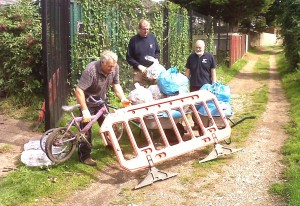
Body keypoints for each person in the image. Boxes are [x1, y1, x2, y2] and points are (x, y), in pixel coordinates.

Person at [75, 50, 130, 166]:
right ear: (102, 63)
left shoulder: (114, 67)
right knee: (86, 131)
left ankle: (112, 146)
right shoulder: (91, 70)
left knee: (108, 124)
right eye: (110, 66)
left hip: (100, 100)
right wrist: (84, 110)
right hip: (88, 102)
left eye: (113, 66)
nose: (112, 69)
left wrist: (123, 98)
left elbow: (116, 84)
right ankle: (84, 157)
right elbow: (79, 90)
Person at [185, 40, 217, 130]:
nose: (198, 49)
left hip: (206, 87)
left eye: (200, 47)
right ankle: (196, 123)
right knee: (194, 106)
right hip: (194, 86)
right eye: (196, 47)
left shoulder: (209, 57)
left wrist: (214, 83)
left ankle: (206, 123)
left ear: (204, 47)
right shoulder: (191, 57)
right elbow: (187, 72)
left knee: (205, 105)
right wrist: (184, 82)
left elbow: (213, 71)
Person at [126, 19, 160, 87]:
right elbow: (129, 57)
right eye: (144, 29)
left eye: (147, 29)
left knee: (154, 90)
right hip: (139, 71)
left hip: (152, 70)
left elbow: (157, 51)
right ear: (139, 29)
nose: (146, 31)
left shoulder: (152, 37)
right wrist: (139, 66)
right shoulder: (134, 40)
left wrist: (156, 61)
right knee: (139, 93)